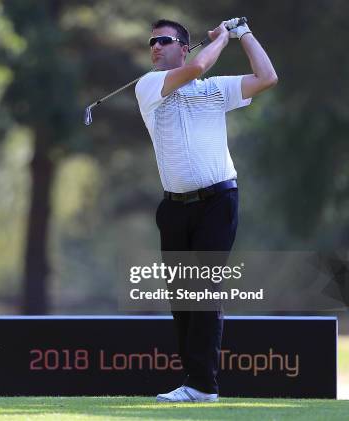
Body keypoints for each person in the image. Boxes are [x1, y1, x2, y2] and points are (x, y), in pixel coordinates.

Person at [134, 18, 277, 402]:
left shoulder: (215, 90)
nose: (156, 47)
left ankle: (202, 386)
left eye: (165, 41)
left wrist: (245, 33)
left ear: (184, 46)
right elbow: (197, 67)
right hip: (174, 208)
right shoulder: (148, 86)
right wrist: (223, 38)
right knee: (182, 296)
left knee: (204, 288)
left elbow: (266, 77)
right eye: (153, 42)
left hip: (218, 201)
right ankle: (193, 381)